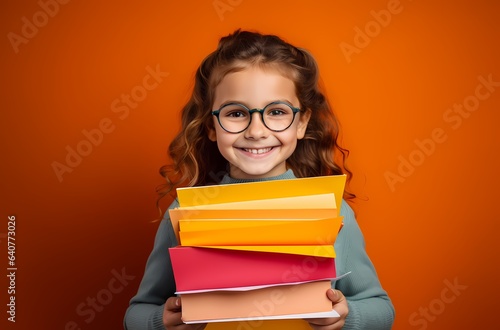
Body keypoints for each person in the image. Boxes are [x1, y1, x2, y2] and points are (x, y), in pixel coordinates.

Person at [124, 29, 395, 330]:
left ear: (302, 122)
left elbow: (381, 309)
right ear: (211, 126)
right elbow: (137, 313)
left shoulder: (333, 210)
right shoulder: (184, 211)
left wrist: (346, 317)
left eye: (277, 111)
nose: (256, 131)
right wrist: (160, 321)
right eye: (236, 113)